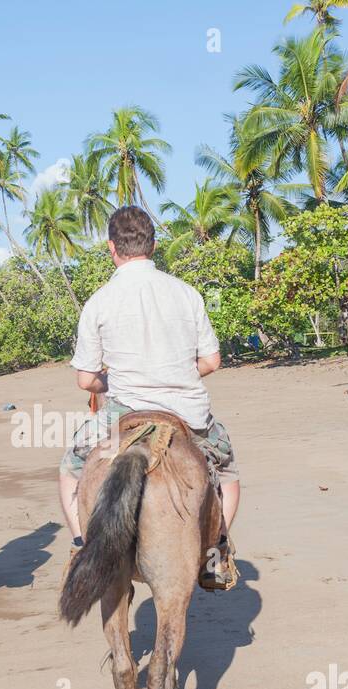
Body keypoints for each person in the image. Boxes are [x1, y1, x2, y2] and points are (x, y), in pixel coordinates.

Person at [58, 206, 240, 588]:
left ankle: (80, 545)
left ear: (112, 248)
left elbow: (85, 379)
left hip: (125, 411)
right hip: (187, 411)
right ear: (153, 245)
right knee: (226, 470)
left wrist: (106, 385)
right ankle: (216, 554)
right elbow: (212, 360)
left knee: (70, 468)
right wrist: (180, 374)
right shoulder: (187, 294)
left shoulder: (99, 301)